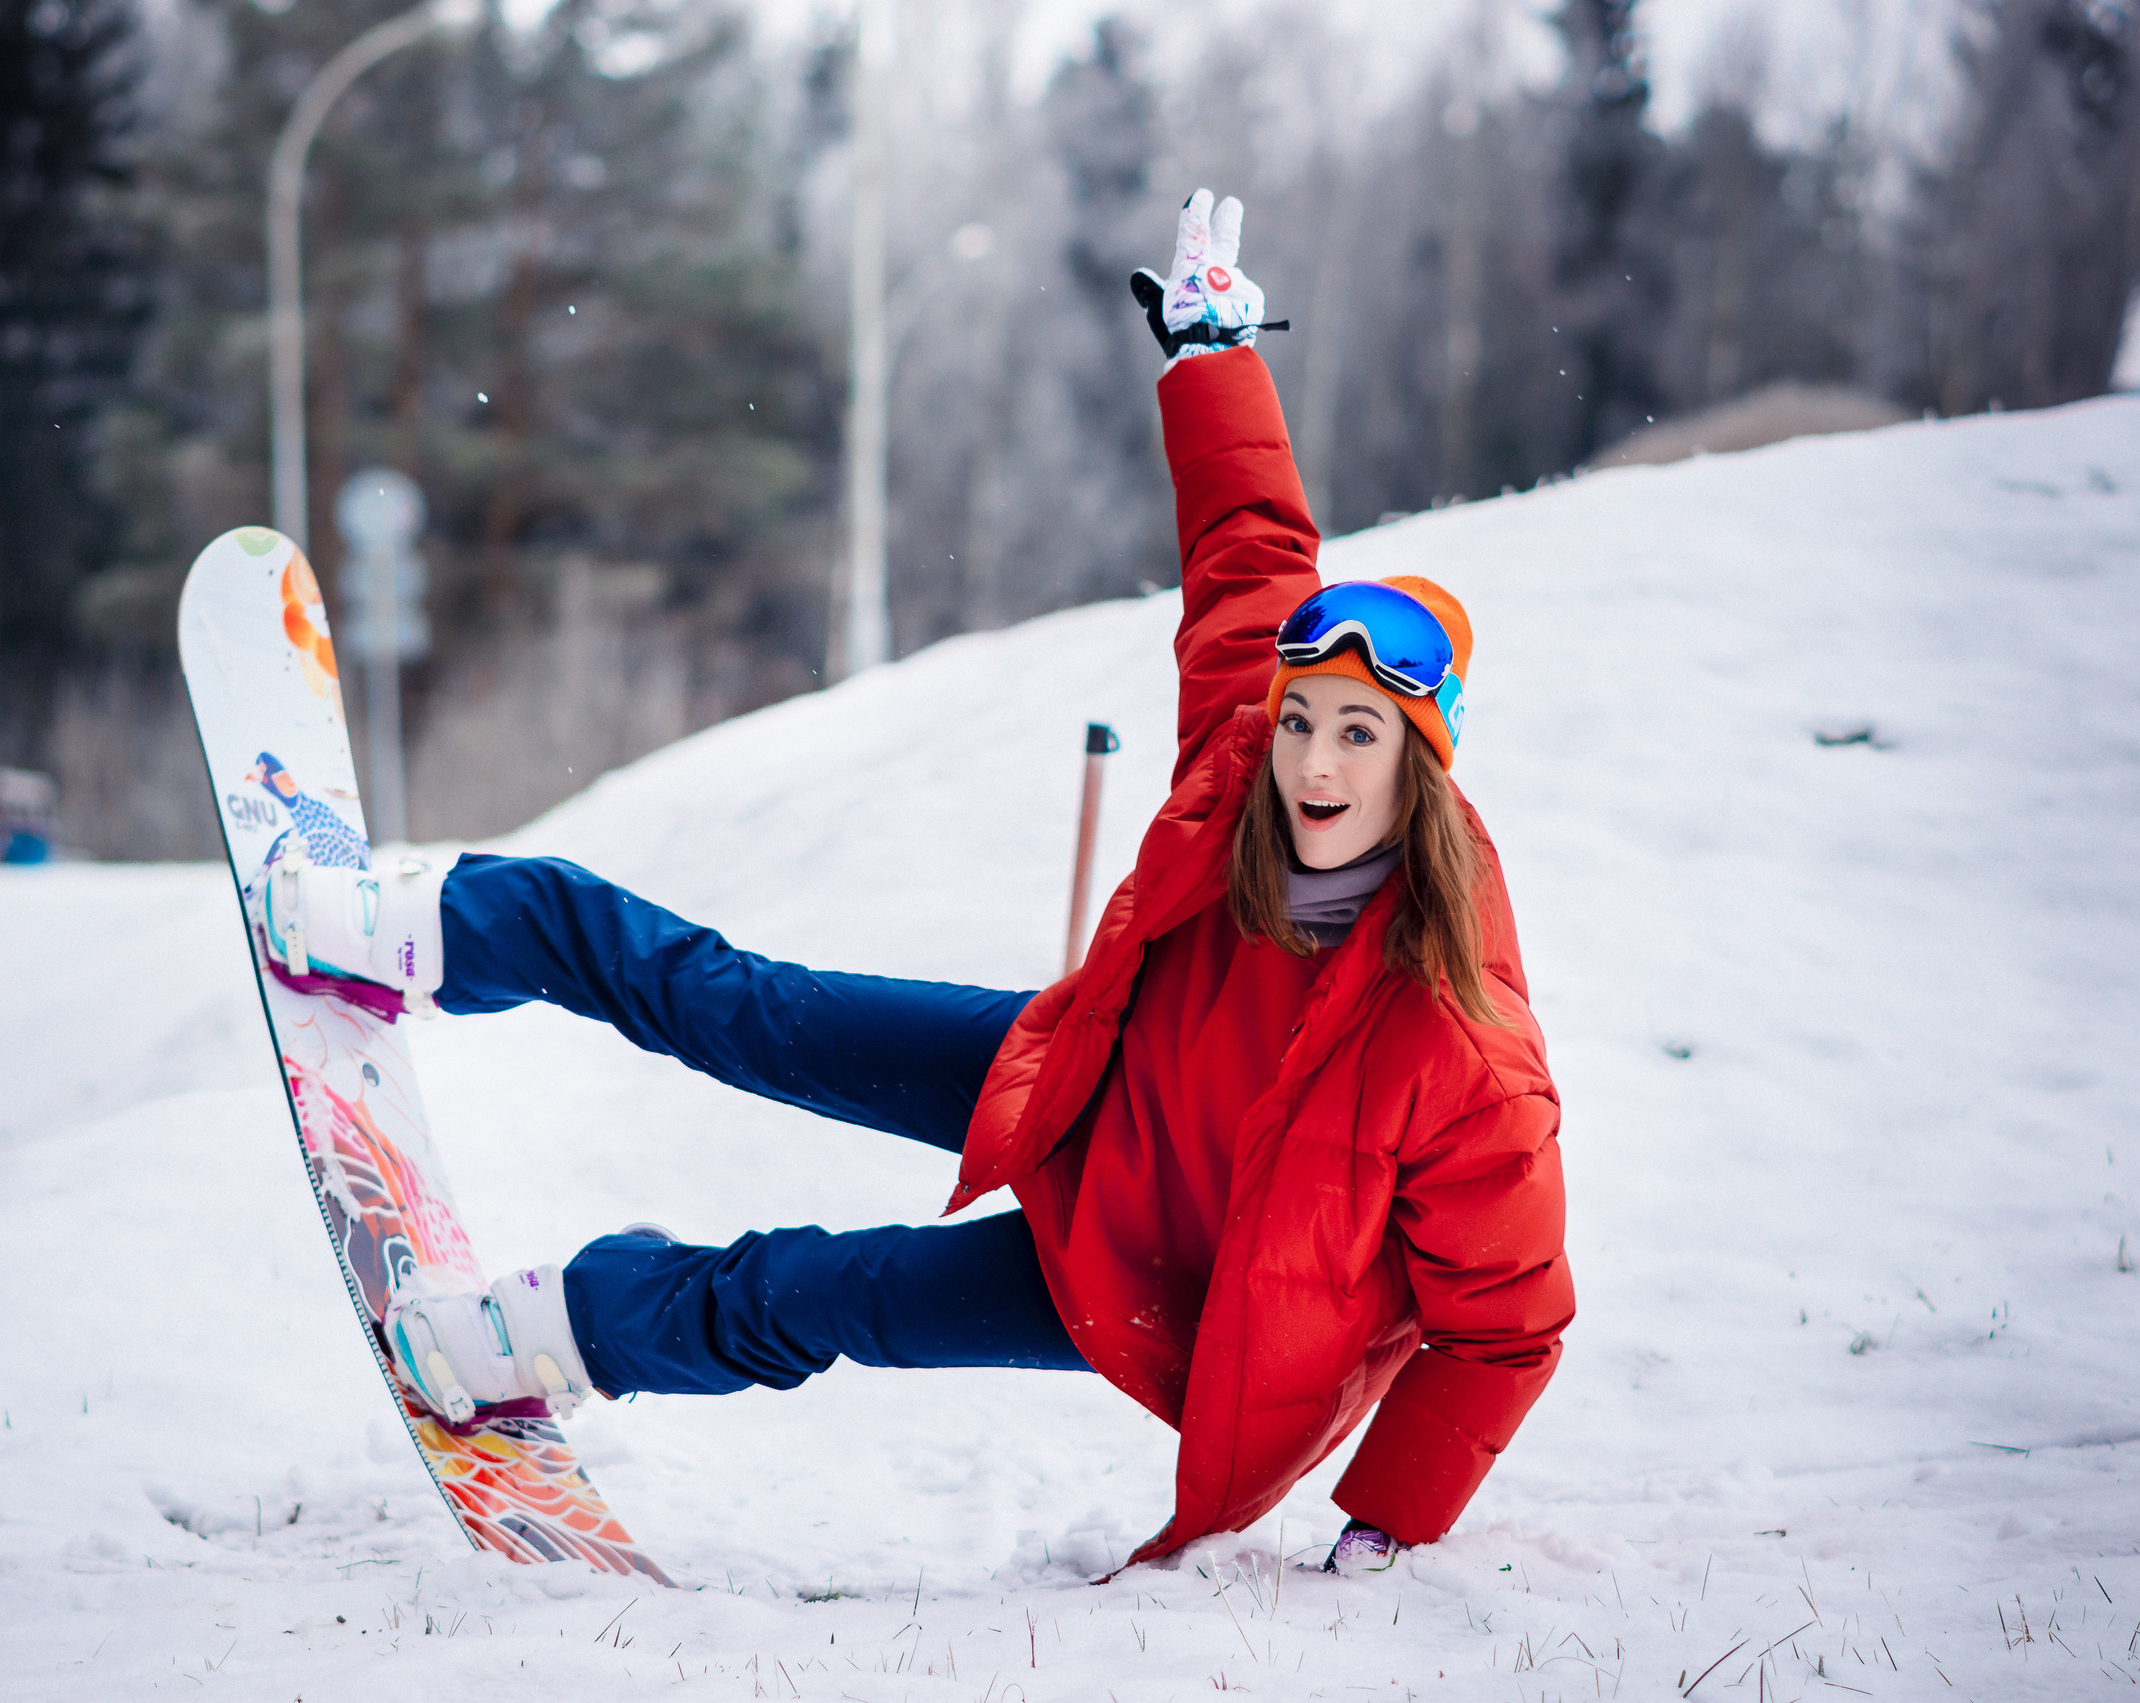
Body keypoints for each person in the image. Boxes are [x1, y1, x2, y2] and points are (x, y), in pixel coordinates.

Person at [261, 191, 1573, 1578]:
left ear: (1421, 769)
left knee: (817, 1289)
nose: (1311, 761)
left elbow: (1509, 1324)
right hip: (1088, 1080)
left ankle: (543, 1339)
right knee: (738, 1004)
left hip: (1150, 1288)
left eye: (1359, 735)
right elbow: (1250, 552)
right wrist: (1212, 358)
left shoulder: (1460, 1045)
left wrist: (1389, 1522)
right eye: (1302, 719)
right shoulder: (1242, 768)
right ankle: (428, 933)